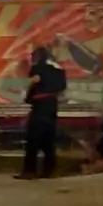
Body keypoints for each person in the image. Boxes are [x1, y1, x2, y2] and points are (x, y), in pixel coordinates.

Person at [16, 45, 67, 179]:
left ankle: (29, 171)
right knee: (48, 139)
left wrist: (26, 91)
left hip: (40, 105)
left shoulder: (39, 68)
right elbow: (62, 87)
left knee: (33, 139)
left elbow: (35, 80)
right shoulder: (59, 71)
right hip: (52, 106)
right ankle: (49, 170)